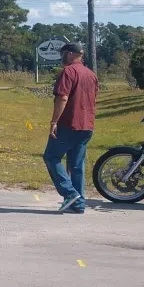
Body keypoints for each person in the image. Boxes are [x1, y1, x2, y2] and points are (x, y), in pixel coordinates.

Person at [43, 42, 98, 214]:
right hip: (87, 125)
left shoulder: (68, 71)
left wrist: (54, 122)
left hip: (69, 123)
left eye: (63, 53)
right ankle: (78, 205)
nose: (61, 57)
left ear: (70, 54)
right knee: (76, 165)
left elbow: (63, 98)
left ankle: (70, 193)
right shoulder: (91, 74)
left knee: (51, 157)